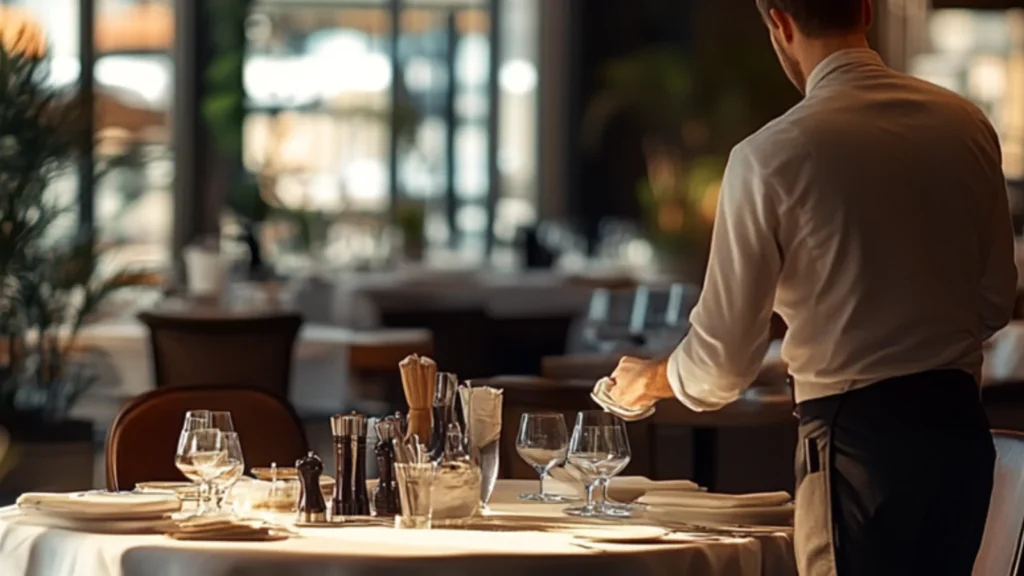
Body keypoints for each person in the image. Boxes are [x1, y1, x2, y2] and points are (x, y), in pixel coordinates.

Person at [604, 1, 1015, 574]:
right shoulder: (965, 123)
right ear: (867, 10)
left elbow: (721, 364)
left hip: (856, 449)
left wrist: (651, 379)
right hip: (959, 439)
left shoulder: (768, 156)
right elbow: (995, 298)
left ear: (780, 23)